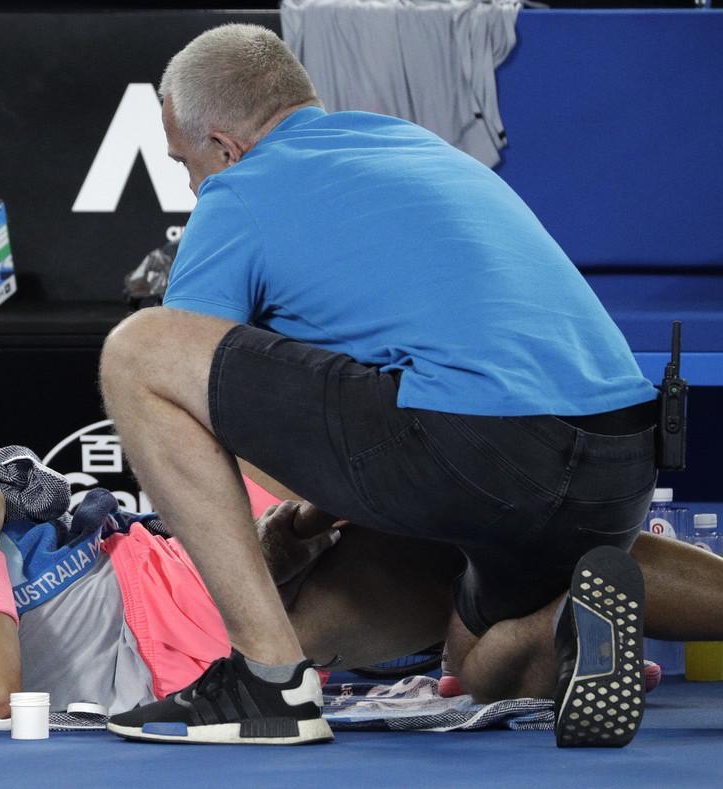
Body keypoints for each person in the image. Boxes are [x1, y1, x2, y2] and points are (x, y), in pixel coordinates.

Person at [99, 23, 662, 746]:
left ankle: (266, 683)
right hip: (620, 464)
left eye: (185, 163)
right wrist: (328, 499)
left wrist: (297, 516)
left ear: (225, 147)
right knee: (475, 662)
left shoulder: (237, 191)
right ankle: (563, 630)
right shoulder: (415, 146)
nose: (190, 183)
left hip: (479, 445)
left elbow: (192, 394)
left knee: (139, 351)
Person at [0, 424, 723, 739]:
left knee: (491, 533)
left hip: (198, 584)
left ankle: (529, 656)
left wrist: (265, 550)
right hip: (189, 651)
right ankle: (527, 652)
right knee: (463, 547)